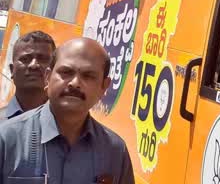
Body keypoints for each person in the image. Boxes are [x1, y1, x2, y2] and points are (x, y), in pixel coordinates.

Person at [0, 38, 134, 183]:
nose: (75, 83)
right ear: (47, 78)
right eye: (66, 72)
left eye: (88, 76)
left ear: (104, 87)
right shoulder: (6, 139)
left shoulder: (115, 151)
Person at [0, 31, 55, 121]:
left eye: (43, 59)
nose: (34, 65)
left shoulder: (70, 124)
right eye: (25, 59)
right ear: (12, 70)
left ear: (53, 70)